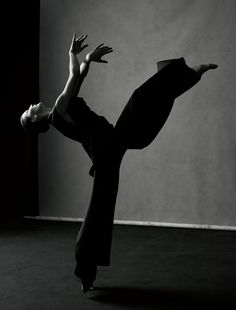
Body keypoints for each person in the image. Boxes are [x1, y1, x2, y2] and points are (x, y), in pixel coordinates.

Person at [20, 33, 218, 293]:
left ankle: (86, 273)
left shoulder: (60, 110)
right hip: (107, 151)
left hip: (111, 145)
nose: (32, 106)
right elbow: (74, 76)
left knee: (100, 209)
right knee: (140, 100)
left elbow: (77, 75)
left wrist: (77, 55)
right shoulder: (58, 109)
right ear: (35, 120)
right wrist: (83, 58)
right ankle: (85, 271)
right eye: (28, 110)